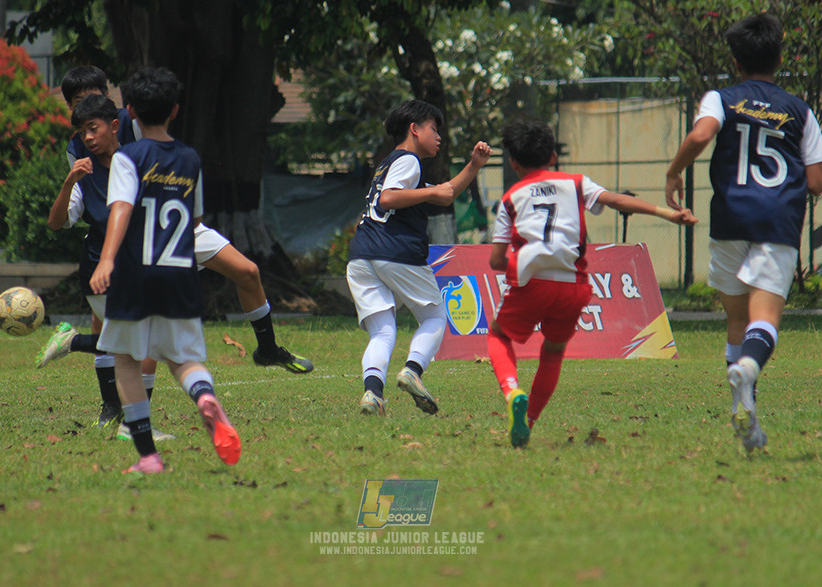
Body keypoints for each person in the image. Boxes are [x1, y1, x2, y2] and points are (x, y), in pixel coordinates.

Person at [39, 67, 313, 425]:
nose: (89, 112)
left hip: (172, 226)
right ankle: (121, 414)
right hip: (133, 239)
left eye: (96, 100)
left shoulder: (133, 125)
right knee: (138, 340)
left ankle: (267, 348)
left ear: (117, 105)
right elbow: (98, 208)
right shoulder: (81, 148)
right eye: (80, 106)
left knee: (247, 271)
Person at [665, 13, 822, 453]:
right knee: (764, 320)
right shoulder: (799, 110)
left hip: (729, 219)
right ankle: (750, 370)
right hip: (776, 224)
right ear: (780, 58)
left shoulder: (721, 98)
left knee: (737, 322)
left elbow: (701, 135)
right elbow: (817, 183)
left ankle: (747, 418)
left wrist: (674, 171)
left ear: (735, 61)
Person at [488, 118, 698, 448]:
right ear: (553, 157)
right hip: (573, 286)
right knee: (553, 353)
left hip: (532, 283)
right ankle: (528, 422)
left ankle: (513, 391)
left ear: (513, 162)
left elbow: (496, 261)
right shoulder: (575, 183)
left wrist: (516, 262)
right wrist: (669, 213)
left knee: (498, 335)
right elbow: (616, 201)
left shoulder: (511, 198)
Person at [89, 66, 240, 474]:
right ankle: (204, 395)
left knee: (125, 359)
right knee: (183, 360)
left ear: (130, 112)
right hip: (179, 274)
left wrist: (107, 259)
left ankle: (148, 456)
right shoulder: (190, 158)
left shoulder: (127, 156)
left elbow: (121, 208)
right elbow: (195, 219)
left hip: (134, 274)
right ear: (174, 110)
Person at [40, 93, 175, 440]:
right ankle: (134, 424)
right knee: (143, 341)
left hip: (136, 269)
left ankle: (73, 342)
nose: (87, 137)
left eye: (93, 128)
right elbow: (56, 223)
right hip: (99, 272)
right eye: (82, 132)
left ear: (114, 127)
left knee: (134, 344)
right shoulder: (83, 174)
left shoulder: (140, 163)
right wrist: (69, 182)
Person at [346, 99, 491, 416]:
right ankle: (412, 370)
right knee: (435, 317)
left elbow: (446, 193)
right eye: (434, 128)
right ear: (414, 129)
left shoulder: (389, 165)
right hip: (395, 251)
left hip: (361, 255)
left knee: (382, 332)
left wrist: (474, 165)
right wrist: (432, 192)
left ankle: (373, 395)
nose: (439, 136)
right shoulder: (409, 161)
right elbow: (388, 199)